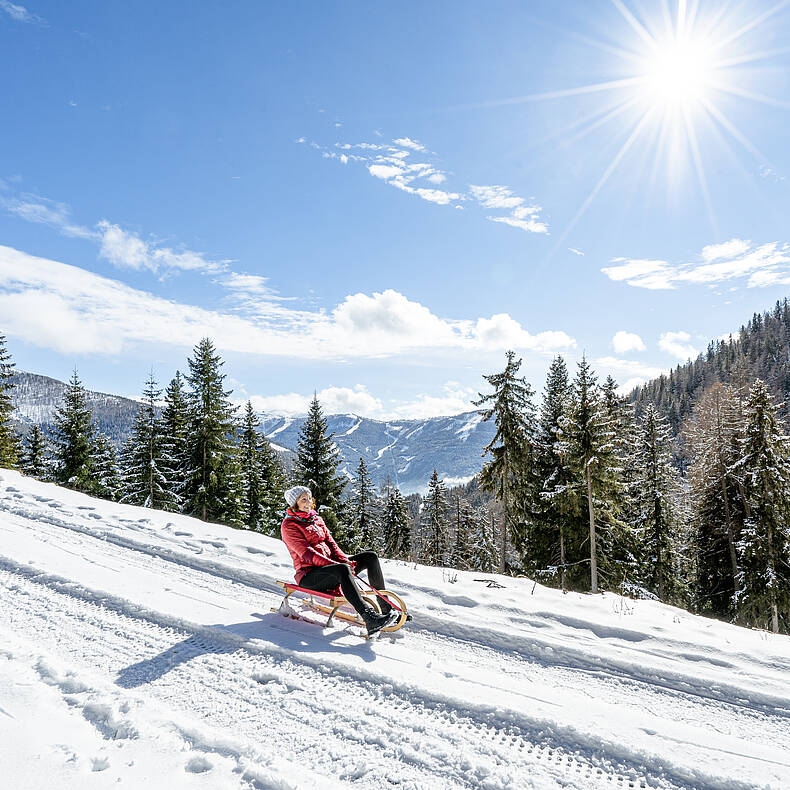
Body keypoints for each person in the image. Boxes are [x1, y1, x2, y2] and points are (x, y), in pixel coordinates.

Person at [280, 485, 398, 636]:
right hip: (309, 576)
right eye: (303, 499)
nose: (308, 502)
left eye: (309, 498)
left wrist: (345, 560)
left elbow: (332, 544)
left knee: (370, 557)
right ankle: (370, 618)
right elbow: (307, 554)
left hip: (332, 569)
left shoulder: (316, 519)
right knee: (342, 569)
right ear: (295, 503)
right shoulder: (289, 525)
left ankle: (386, 610)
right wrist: (339, 565)